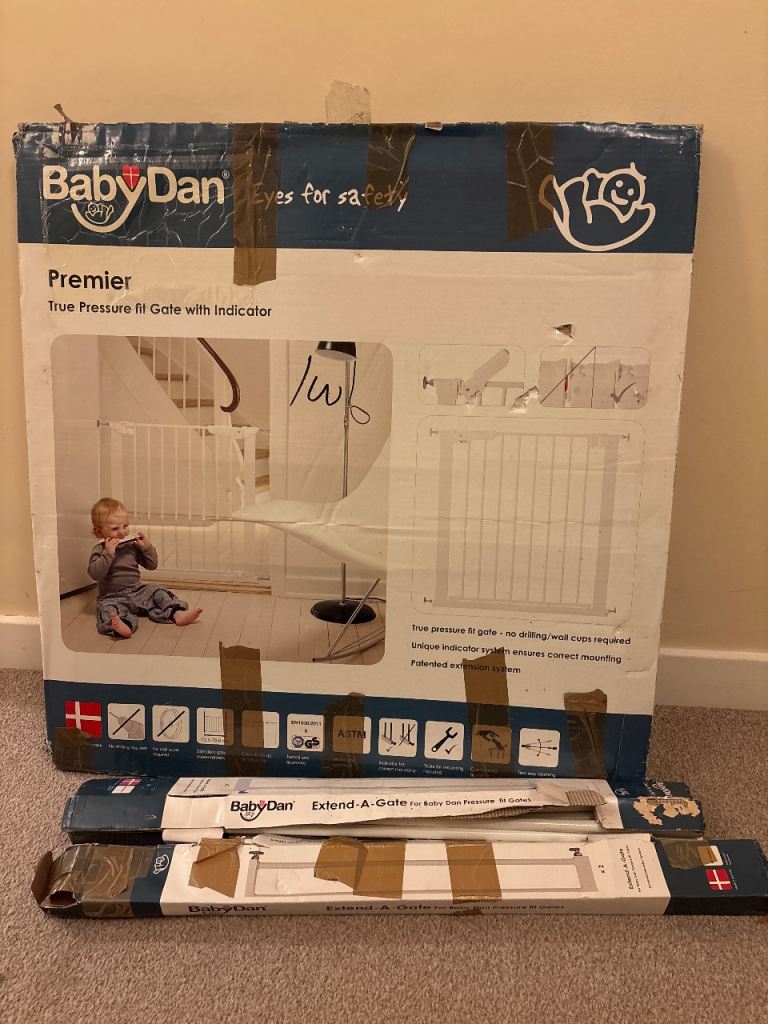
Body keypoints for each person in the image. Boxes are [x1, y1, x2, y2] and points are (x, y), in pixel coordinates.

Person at [88, 497, 202, 638]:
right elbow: (95, 574)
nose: (122, 532)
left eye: (125, 526)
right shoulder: (99, 550)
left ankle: (177, 613)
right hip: (112, 596)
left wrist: (147, 548)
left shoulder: (131, 546)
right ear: (99, 532)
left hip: (138, 591)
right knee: (107, 609)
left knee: (158, 592)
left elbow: (151, 565)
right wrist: (108, 554)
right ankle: (122, 625)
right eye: (115, 528)